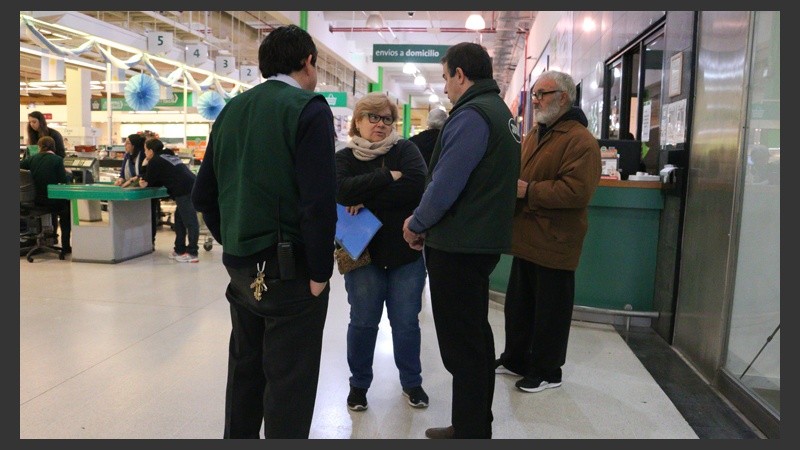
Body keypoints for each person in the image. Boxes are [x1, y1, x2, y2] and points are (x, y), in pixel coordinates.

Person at [191, 24, 337, 439]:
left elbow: (204, 195)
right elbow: (318, 203)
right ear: (308, 62)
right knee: (290, 381)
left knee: (245, 368)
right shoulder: (308, 109)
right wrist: (320, 274)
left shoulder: (230, 112)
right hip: (291, 271)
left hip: (241, 268)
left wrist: (233, 242)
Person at [401, 42, 521, 439]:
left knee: (463, 345)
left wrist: (418, 222)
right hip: (478, 241)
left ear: (460, 75)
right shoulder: (500, 113)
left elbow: (446, 182)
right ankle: (471, 423)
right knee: (474, 338)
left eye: (445, 77)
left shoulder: (472, 116)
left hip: (459, 243)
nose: (446, 87)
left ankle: (471, 431)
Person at [494, 70, 601, 394]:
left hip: (555, 241)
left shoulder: (580, 141)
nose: (536, 100)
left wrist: (530, 191)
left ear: (564, 98)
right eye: (535, 94)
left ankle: (547, 371)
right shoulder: (535, 134)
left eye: (543, 94)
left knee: (550, 313)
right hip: (527, 238)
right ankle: (516, 359)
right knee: (519, 306)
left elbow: (577, 192)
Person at [335, 92, 429, 412]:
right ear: (357, 122)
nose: (380, 124)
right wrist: (388, 176)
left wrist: (367, 198)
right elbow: (340, 191)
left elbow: (417, 185)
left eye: (386, 119)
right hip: (363, 255)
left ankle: (412, 383)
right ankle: (359, 385)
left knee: (406, 322)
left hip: (406, 253)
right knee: (363, 322)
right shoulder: (344, 157)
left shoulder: (406, 149)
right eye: (372, 118)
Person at [138, 138, 199, 263]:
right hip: (191, 186)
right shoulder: (167, 156)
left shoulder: (155, 160)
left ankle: (193, 253)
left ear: (150, 150)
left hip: (184, 191)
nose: (144, 153)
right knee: (179, 220)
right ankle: (179, 249)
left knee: (190, 221)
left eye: (145, 150)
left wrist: (144, 165)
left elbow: (149, 181)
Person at [20, 136, 71, 255]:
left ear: (39, 147)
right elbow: (62, 181)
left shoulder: (32, 159)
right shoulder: (57, 160)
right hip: (51, 201)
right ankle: (65, 246)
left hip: (34, 202)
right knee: (66, 210)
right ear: (54, 147)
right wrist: (69, 174)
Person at [114, 133, 159, 245]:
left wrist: (133, 180)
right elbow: (123, 173)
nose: (125, 145)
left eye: (128, 143)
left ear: (134, 145)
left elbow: (146, 173)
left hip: (146, 191)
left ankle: (149, 241)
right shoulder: (127, 156)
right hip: (132, 192)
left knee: (148, 216)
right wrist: (121, 179)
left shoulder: (144, 156)